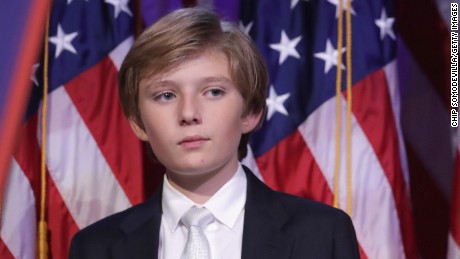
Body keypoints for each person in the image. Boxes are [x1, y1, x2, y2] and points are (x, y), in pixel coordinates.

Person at [69, 7, 360, 259]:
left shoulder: (322, 234)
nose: (188, 113)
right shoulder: (95, 248)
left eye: (214, 91)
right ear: (137, 122)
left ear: (250, 111)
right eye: (166, 95)